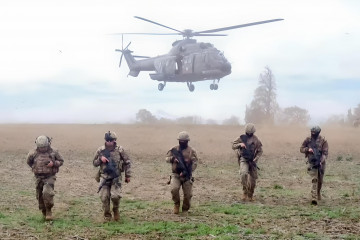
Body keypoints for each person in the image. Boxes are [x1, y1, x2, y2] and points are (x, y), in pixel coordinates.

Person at [93, 131, 131, 222]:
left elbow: (127, 162)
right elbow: (94, 163)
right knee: (104, 197)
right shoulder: (100, 150)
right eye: (107, 140)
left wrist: (127, 175)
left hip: (116, 177)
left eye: (111, 140)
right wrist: (100, 159)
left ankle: (115, 209)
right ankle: (107, 215)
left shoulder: (120, 150)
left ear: (114, 140)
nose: (109, 142)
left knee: (115, 196)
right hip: (104, 177)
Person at [26, 135, 64, 221]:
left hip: (50, 176)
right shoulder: (33, 153)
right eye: (41, 147)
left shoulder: (54, 151)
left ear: (48, 144)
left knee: (47, 193)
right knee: (40, 196)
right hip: (38, 177)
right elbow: (29, 162)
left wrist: (53, 163)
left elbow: (61, 161)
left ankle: (49, 211)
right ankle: (44, 211)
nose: (42, 149)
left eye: (44, 147)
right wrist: (34, 167)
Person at [166, 131, 198, 214]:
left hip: (187, 175)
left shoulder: (191, 151)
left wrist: (189, 169)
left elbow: (195, 162)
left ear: (187, 141)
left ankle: (185, 209)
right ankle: (176, 204)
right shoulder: (174, 149)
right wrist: (172, 159)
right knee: (174, 189)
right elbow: (167, 158)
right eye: (181, 141)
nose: (183, 143)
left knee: (188, 194)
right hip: (175, 174)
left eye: (184, 141)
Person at [231, 123, 263, 201]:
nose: (249, 134)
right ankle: (245, 191)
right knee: (243, 173)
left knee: (253, 180)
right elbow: (233, 146)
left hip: (252, 161)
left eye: (250, 133)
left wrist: (256, 159)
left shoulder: (256, 140)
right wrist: (240, 144)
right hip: (243, 159)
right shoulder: (241, 138)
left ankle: (250, 194)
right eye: (247, 133)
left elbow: (260, 151)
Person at [300, 125, 328, 205]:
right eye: (311, 132)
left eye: (314, 132)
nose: (312, 133)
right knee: (314, 179)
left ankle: (318, 192)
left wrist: (321, 161)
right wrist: (307, 149)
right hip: (312, 162)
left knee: (320, 180)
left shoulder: (323, 141)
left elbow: (325, 153)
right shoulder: (308, 140)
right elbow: (301, 149)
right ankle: (314, 197)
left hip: (321, 163)